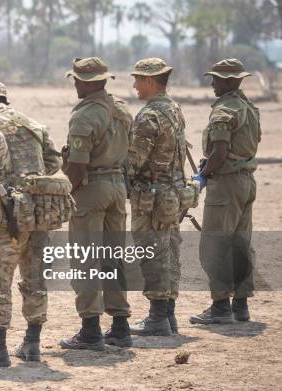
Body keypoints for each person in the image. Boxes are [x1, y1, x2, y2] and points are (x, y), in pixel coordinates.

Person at [0, 80, 62, 367]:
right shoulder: (33, 124)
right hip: (39, 215)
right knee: (35, 279)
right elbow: (54, 162)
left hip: (6, 218)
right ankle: (32, 344)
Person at [58, 57, 134, 351]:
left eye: (77, 79)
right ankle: (120, 326)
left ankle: (90, 330)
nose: (75, 84)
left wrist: (67, 193)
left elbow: (77, 166)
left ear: (88, 82)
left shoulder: (85, 116)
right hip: (117, 186)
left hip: (91, 189)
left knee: (85, 260)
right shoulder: (121, 109)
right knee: (113, 258)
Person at [190, 59, 260, 324]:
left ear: (230, 81)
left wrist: (205, 172)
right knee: (240, 244)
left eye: (216, 79)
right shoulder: (249, 108)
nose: (212, 83)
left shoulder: (225, 109)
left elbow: (219, 153)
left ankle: (220, 306)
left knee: (215, 244)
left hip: (227, 184)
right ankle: (240, 305)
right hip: (246, 181)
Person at [126, 58, 188, 336]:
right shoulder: (175, 109)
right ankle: (168, 316)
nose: (135, 85)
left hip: (152, 196)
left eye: (138, 79)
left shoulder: (148, 115)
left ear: (150, 81)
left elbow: (133, 161)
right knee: (169, 250)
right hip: (174, 192)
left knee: (152, 251)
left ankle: (157, 318)